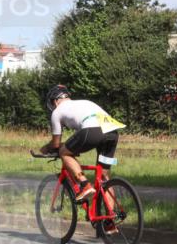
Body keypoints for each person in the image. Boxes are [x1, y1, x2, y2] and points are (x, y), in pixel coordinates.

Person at [39, 85, 125, 230]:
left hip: (92, 130)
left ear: (54, 101)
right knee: (104, 177)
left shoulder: (57, 112)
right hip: (112, 133)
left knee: (64, 152)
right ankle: (110, 220)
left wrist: (45, 149)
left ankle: (84, 185)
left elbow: (56, 143)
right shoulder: (84, 102)